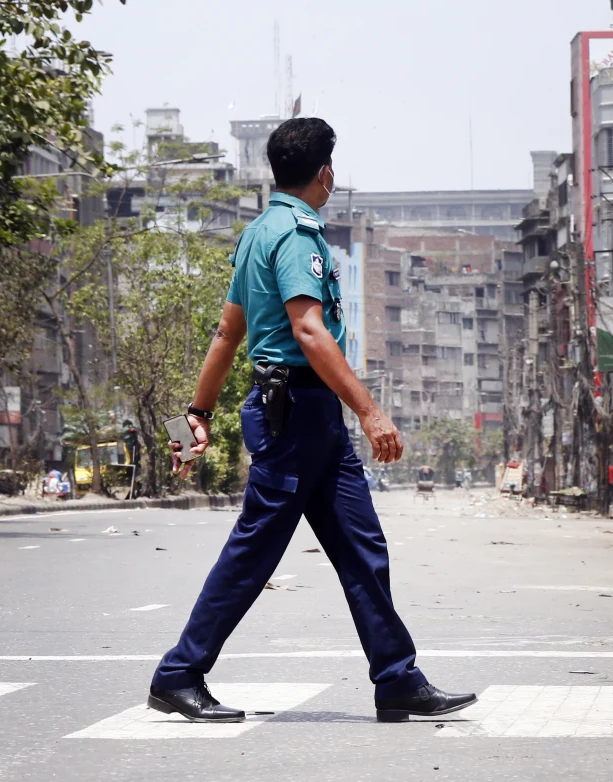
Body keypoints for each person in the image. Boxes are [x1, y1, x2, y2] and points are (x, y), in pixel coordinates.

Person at [149, 118, 475, 725]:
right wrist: (372, 412)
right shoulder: (297, 235)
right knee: (255, 550)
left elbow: (227, 333)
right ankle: (178, 674)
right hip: (293, 414)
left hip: (308, 416)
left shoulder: (256, 234)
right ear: (325, 172)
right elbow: (307, 330)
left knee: (361, 545)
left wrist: (192, 417)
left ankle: (397, 679)